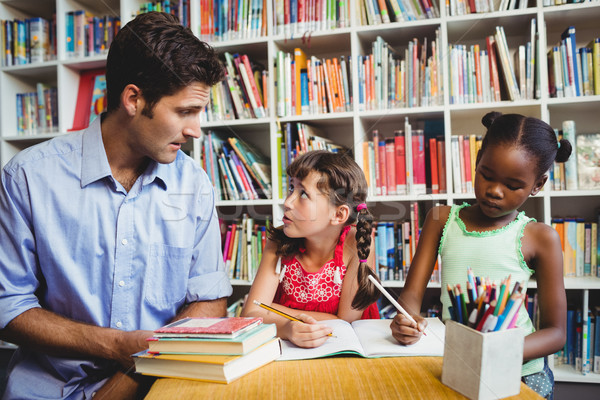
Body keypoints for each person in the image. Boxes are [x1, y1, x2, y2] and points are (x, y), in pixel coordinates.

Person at [0, 12, 232, 400]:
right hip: (45, 390)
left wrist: (128, 378)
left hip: (156, 386)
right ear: (133, 99)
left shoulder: (194, 182)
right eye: (184, 111)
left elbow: (208, 299)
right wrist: (114, 345)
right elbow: (8, 306)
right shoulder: (27, 177)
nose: (195, 130)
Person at [388, 112, 569, 399]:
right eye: (486, 175)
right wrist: (406, 320)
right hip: (457, 361)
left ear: (538, 184)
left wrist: (496, 352)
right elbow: (411, 298)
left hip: (521, 370)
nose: (495, 191)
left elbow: (556, 332)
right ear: (476, 162)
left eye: (512, 186)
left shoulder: (540, 237)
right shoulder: (440, 219)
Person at [241, 150, 380, 348]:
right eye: (291, 188)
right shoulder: (278, 241)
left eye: (303, 193)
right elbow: (252, 313)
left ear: (339, 215)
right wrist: (287, 327)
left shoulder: (357, 244)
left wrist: (272, 311)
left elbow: (346, 322)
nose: (287, 202)